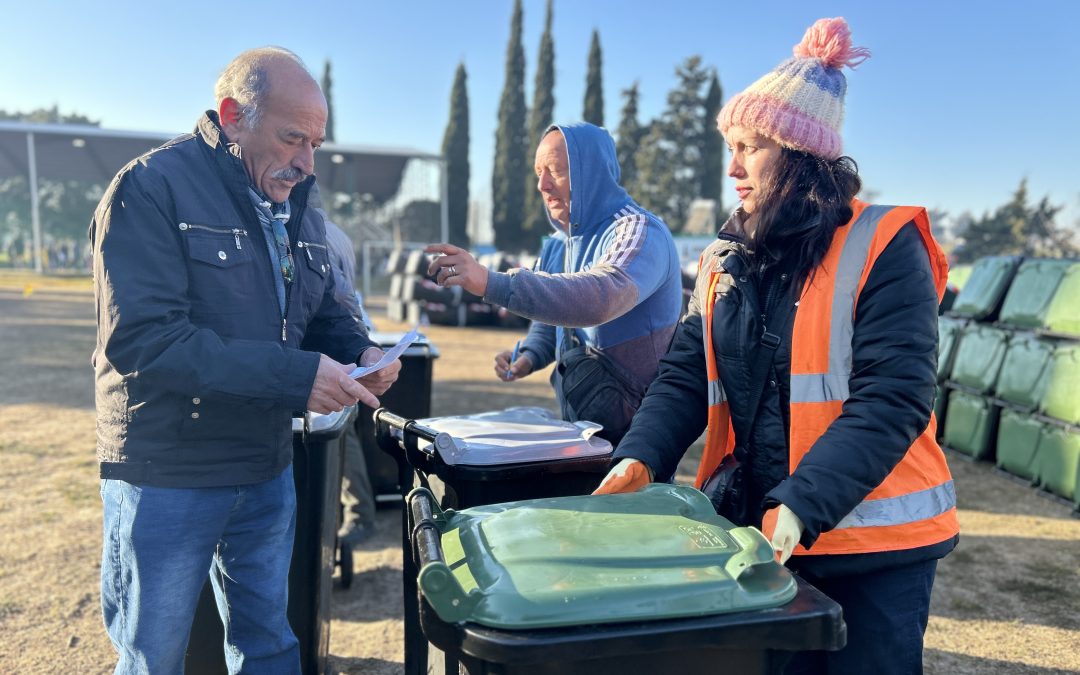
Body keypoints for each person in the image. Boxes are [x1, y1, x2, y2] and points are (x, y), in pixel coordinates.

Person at [593, 18, 959, 674]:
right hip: (760, 535)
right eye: (729, 145)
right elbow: (683, 373)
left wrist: (801, 500)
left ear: (797, 153)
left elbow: (894, 397)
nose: (732, 166)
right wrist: (640, 457)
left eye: (749, 145)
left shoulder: (884, 244)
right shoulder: (725, 259)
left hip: (870, 548)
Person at [90, 47, 401, 673]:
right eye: (293, 139)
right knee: (154, 655)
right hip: (170, 471)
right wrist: (296, 377)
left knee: (269, 645)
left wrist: (359, 349)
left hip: (265, 467)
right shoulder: (151, 187)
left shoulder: (298, 201)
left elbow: (317, 310)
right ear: (234, 116)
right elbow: (146, 341)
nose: (306, 161)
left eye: (315, 143)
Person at [425, 122, 682, 445]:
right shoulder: (557, 244)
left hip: (639, 440)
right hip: (583, 432)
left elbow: (601, 297)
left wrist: (490, 282)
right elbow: (550, 323)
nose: (542, 185)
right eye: (538, 172)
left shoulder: (639, 231)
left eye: (556, 171)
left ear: (594, 172)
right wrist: (529, 354)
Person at [315, 201, 379, 545]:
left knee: (339, 433)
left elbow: (334, 299)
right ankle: (356, 514)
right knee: (345, 433)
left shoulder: (311, 233)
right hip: (346, 342)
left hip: (330, 352)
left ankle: (356, 516)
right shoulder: (337, 234)